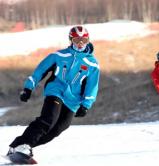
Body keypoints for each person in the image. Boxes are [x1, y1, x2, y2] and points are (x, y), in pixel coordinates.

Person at [7, 25, 100, 158]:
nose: (80, 44)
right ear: (70, 40)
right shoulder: (58, 56)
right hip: (55, 91)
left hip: (73, 100)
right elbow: (39, 71)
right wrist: (28, 88)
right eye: (76, 40)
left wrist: (86, 105)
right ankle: (25, 145)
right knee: (48, 119)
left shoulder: (92, 64)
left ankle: (19, 146)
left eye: (83, 41)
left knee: (57, 129)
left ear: (88, 41)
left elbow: (92, 86)